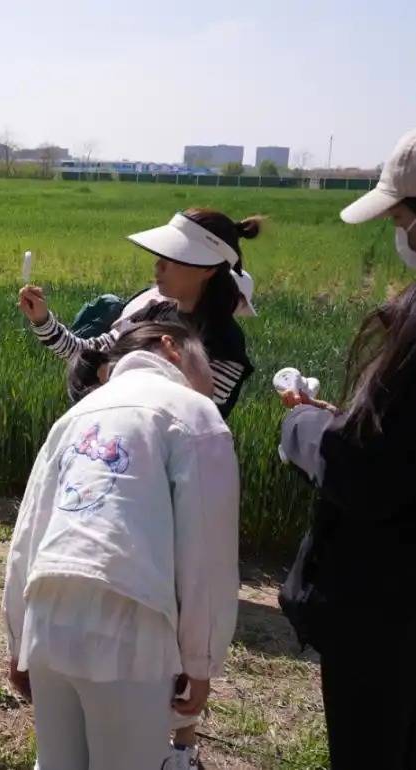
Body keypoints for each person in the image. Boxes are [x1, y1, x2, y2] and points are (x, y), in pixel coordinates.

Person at [3, 321, 239, 770]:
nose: (212, 376)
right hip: (131, 625)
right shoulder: (195, 415)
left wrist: (18, 639)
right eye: (206, 361)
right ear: (170, 346)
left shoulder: (77, 415)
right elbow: (208, 554)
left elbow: (28, 533)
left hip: (48, 614)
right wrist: (202, 659)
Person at [278, 128, 416, 769]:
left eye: (404, 219)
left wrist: (304, 430)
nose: (402, 235)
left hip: (388, 611)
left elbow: (369, 473)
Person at [19, 208, 261, 418]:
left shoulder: (224, 343)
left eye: (173, 258)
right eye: (161, 256)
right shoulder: (153, 312)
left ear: (208, 269)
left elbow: (194, 416)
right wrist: (42, 320)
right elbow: (84, 352)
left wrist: (111, 374)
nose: (158, 265)